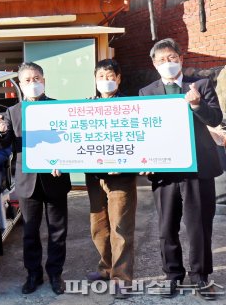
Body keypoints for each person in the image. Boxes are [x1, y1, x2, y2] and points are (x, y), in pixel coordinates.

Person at [139, 38, 223, 300]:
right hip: (164, 169)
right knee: (166, 227)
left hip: (197, 166)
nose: (168, 64)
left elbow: (216, 118)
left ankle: (200, 277)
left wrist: (197, 104)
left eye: (172, 58)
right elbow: (142, 131)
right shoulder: (147, 92)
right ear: (154, 64)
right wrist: (144, 160)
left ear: (181, 59)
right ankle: (172, 275)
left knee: (198, 225)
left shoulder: (200, 85)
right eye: (162, 60)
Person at [0, 62, 71, 295]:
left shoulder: (59, 108)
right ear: (19, 84)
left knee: (58, 230)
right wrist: (1, 131)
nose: (32, 83)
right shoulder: (12, 112)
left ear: (44, 80)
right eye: (27, 80)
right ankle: (33, 274)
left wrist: (64, 162)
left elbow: (69, 141)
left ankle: (55, 274)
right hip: (27, 182)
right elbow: (2, 145)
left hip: (55, 179)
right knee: (30, 232)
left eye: (36, 78)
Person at [85, 59, 137, 299]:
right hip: (95, 176)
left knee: (121, 228)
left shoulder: (132, 105)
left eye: (109, 76)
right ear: (95, 81)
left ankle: (122, 278)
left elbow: (141, 140)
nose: (105, 81)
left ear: (118, 78)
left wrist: (127, 163)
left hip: (121, 178)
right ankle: (105, 268)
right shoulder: (86, 106)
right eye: (100, 77)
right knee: (99, 227)